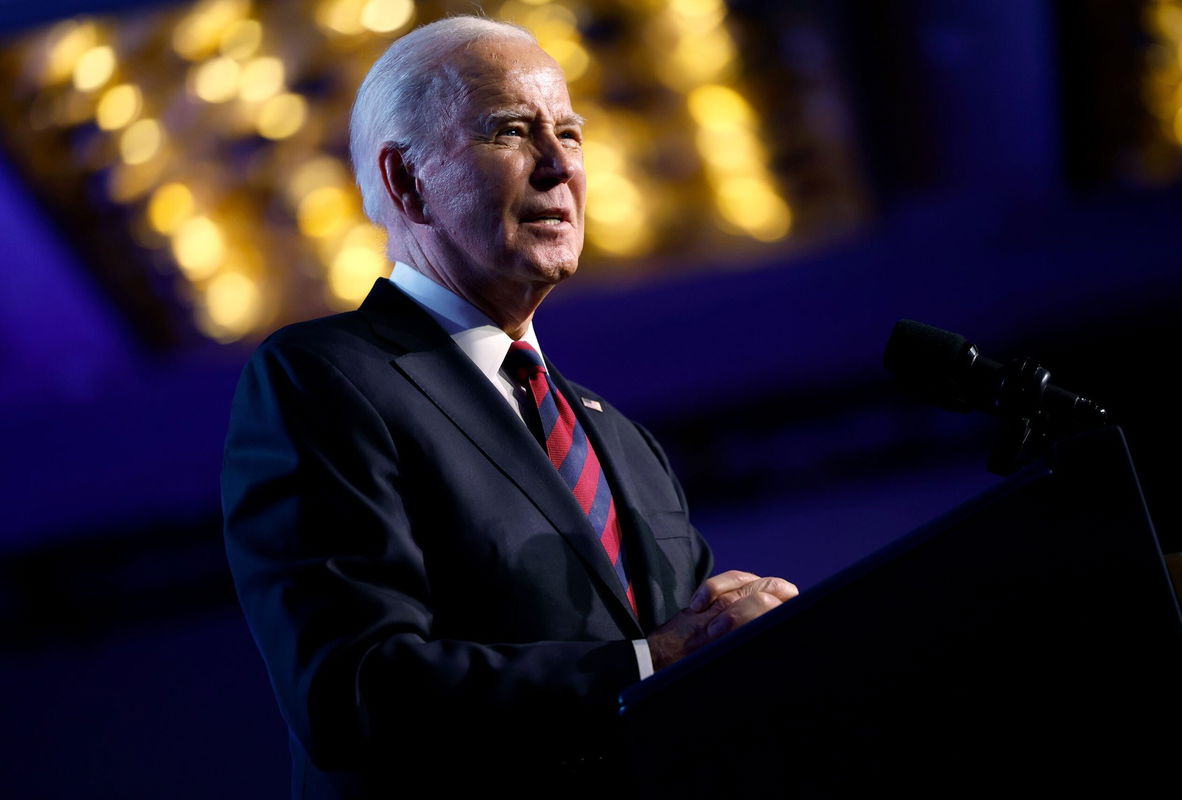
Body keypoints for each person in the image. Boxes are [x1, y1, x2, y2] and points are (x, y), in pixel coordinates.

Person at [221, 15, 797, 798]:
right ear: (407, 181)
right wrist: (650, 662)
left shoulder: (623, 441)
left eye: (570, 132)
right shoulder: (325, 378)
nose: (561, 165)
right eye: (512, 131)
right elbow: (353, 689)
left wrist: (749, 644)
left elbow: (689, 668)